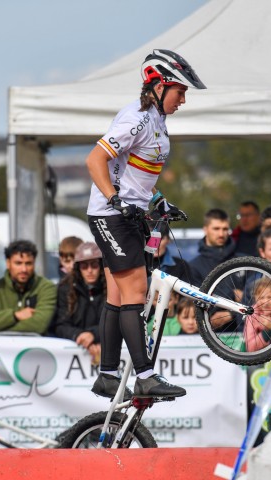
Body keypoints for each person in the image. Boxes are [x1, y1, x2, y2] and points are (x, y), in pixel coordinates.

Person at [84, 49, 205, 399]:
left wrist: (157, 200)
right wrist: (114, 198)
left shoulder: (157, 121)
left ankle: (107, 374)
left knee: (117, 294)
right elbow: (95, 161)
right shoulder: (135, 118)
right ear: (158, 85)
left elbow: (138, 175)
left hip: (130, 214)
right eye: (180, 91)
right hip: (112, 215)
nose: (183, 99)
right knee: (135, 294)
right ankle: (146, 375)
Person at [0, 239, 57, 334]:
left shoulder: (46, 287)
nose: (24, 269)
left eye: (28, 263)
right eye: (18, 263)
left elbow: (40, 325)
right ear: (8, 263)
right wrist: (15, 315)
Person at [53, 242, 106, 366]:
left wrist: (95, 335)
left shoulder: (112, 288)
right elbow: (60, 325)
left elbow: (118, 321)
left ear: (101, 266)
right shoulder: (65, 288)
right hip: (72, 359)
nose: (90, 270)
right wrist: (80, 335)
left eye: (94, 265)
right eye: (84, 266)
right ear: (78, 268)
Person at [189, 208, 238, 283]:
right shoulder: (193, 267)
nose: (221, 234)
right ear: (205, 230)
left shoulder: (244, 261)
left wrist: (245, 293)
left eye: (225, 229)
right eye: (216, 229)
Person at [244, 277, 271, 352]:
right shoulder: (252, 315)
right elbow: (250, 348)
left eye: (270, 297)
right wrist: (266, 332)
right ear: (255, 299)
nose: (265, 302)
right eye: (261, 298)